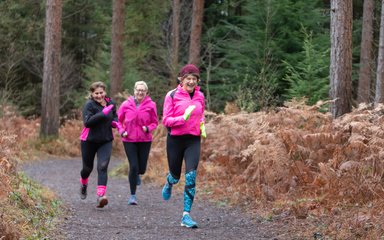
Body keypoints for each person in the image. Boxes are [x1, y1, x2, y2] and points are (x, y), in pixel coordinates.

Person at [161, 64, 206, 228]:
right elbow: (165, 120)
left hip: (193, 140)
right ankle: (169, 182)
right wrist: (182, 119)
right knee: (175, 175)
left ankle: (186, 215)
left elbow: (201, 114)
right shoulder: (172, 95)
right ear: (181, 79)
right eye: (188, 78)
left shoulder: (200, 95)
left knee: (191, 175)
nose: (191, 81)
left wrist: (202, 125)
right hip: (175, 139)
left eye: (194, 79)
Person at [117, 81, 158, 205]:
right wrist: (122, 131)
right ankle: (132, 196)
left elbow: (155, 122)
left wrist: (148, 128)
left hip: (145, 139)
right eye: (138, 90)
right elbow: (118, 121)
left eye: (143, 90)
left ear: (146, 92)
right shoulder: (125, 104)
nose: (140, 92)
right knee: (133, 166)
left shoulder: (151, 105)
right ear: (134, 91)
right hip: (129, 139)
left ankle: (138, 174)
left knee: (142, 169)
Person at [79, 81, 118, 208]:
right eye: (96, 93)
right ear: (92, 94)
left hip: (105, 140)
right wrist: (103, 113)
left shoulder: (111, 103)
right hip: (89, 141)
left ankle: (101, 196)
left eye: (101, 93)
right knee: (87, 169)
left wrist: (116, 123)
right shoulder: (89, 105)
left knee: (103, 166)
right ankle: (84, 183)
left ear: (105, 92)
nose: (99, 96)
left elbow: (114, 117)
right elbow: (88, 122)